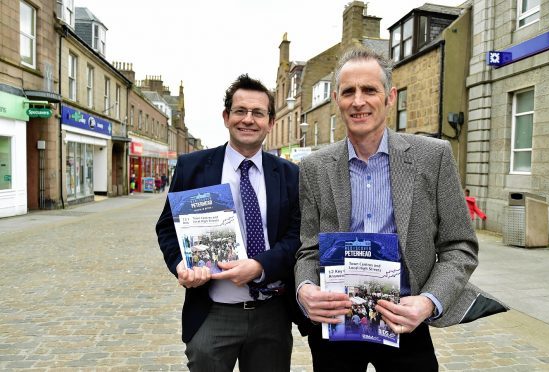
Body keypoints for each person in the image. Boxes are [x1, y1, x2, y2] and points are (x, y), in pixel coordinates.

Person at [294, 46, 506, 371]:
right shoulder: (315, 167)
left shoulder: (432, 157)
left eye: (369, 90)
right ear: (336, 98)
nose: (358, 101)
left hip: (404, 321)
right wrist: (305, 288)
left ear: (390, 97)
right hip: (338, 323)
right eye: (348, 91)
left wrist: (427, 302)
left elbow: (459, 247)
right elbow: (308, 249)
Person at [156, 74, 305, 372]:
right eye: (240, 111)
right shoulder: (194, 167)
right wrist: (180, 266)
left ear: (270, 122)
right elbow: (168, 228)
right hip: (213, 312)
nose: (248, 119)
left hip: (270, 313)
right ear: (226, 117)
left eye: (258, 113)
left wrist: (260, 266)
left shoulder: (289, 174)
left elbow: (296, 236)